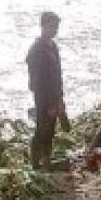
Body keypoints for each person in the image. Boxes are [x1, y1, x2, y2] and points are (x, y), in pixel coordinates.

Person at [26, 11, 66, 170]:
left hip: (54, 94)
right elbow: (37, 80)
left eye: (57, 27)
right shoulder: (36, 49)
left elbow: (58, 74)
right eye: (52, 26)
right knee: (43, 128)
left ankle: (45, 161)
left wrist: (60, 98)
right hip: (43, 96)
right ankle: (38, 162)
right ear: (43, 26)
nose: (55, 30)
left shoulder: (52, 46)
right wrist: (48, 102)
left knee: (50, 128)